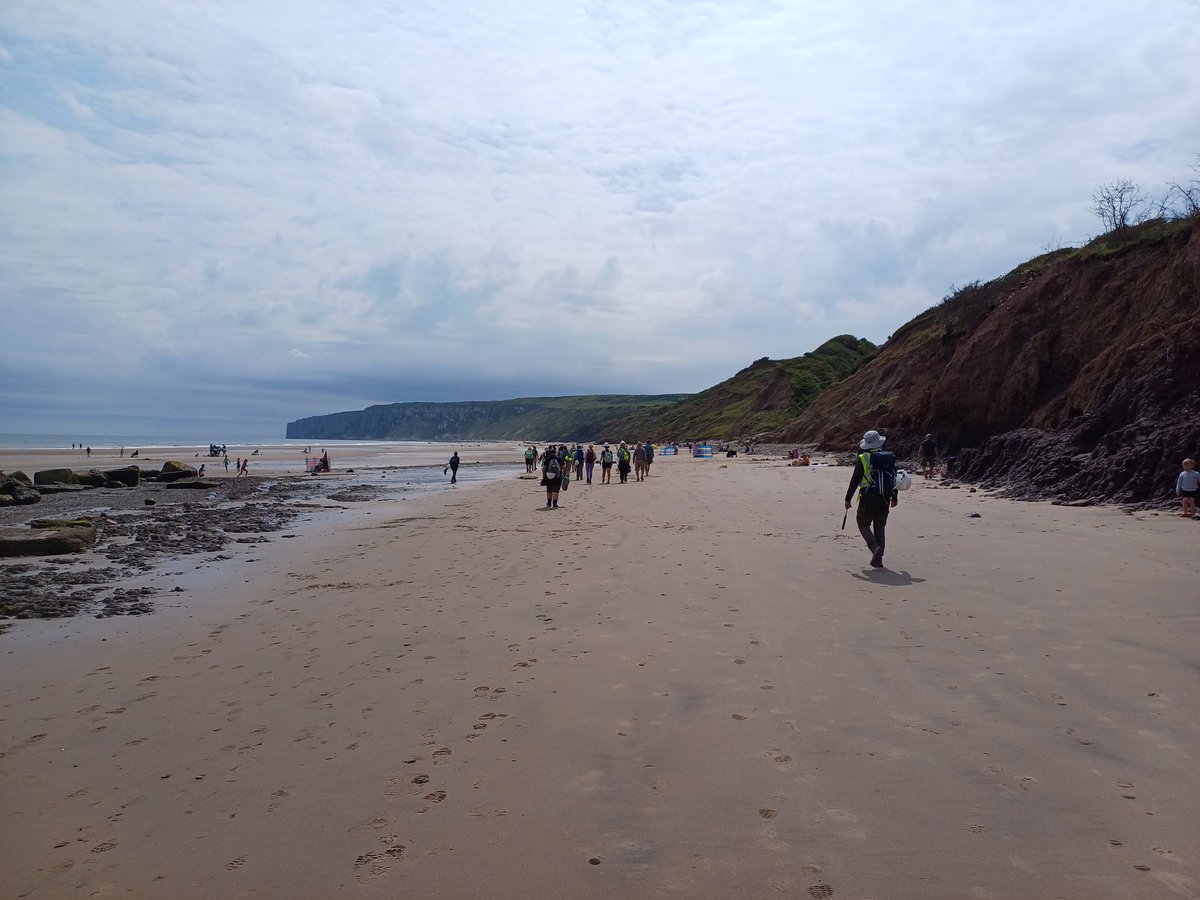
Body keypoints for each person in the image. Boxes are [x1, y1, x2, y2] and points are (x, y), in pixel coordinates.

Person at [844, 429, 899, 568]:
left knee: (863, 524)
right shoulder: (889, 457)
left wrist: (848, 498)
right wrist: (894, 497)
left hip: (868, 498)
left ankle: (875, 548)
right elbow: (894, 478)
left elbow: (855, 479)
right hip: (884, 498)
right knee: (880, 526)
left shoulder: (863, 458)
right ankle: (878, 560)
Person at [541, 444, 563, 508]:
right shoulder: (559, 459)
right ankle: (555, 503)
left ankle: (549, 503)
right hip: (558, 476)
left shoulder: (547, 459)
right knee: (556, 490)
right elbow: (563, 467)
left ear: (549, 453)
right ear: (555, 452)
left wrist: (544, 475)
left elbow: (544, 468)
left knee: (549, 489)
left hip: (549, 476)